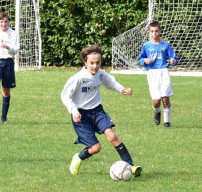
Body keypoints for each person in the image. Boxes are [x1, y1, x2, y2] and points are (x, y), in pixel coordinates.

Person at [61, 43, 142, 177]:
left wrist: (122, 89)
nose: (95, 66)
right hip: (81, 115)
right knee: (96, 148)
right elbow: (65, 95)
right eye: (91, 63)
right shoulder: (79, 78)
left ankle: (131, 167)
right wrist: (74, 110)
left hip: (97, 111)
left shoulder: (100, 74)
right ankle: (78, 157)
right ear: (85, 62)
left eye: (98, 62)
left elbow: (111, 83)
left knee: (112, 136)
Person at [138, 21, 178, 127]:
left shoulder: (165, 45)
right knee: (156, 101)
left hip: (164, 71)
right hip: (152, 73)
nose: (154, 33)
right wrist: (144, 61)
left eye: (156, 31)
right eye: (152, 31)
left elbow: (172, 56)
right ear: (149, 32)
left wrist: (174, 60)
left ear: (160, 31)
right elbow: (141, 58)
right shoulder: (146, 46)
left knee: (165, 97)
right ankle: (157, 112)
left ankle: (167, 122)